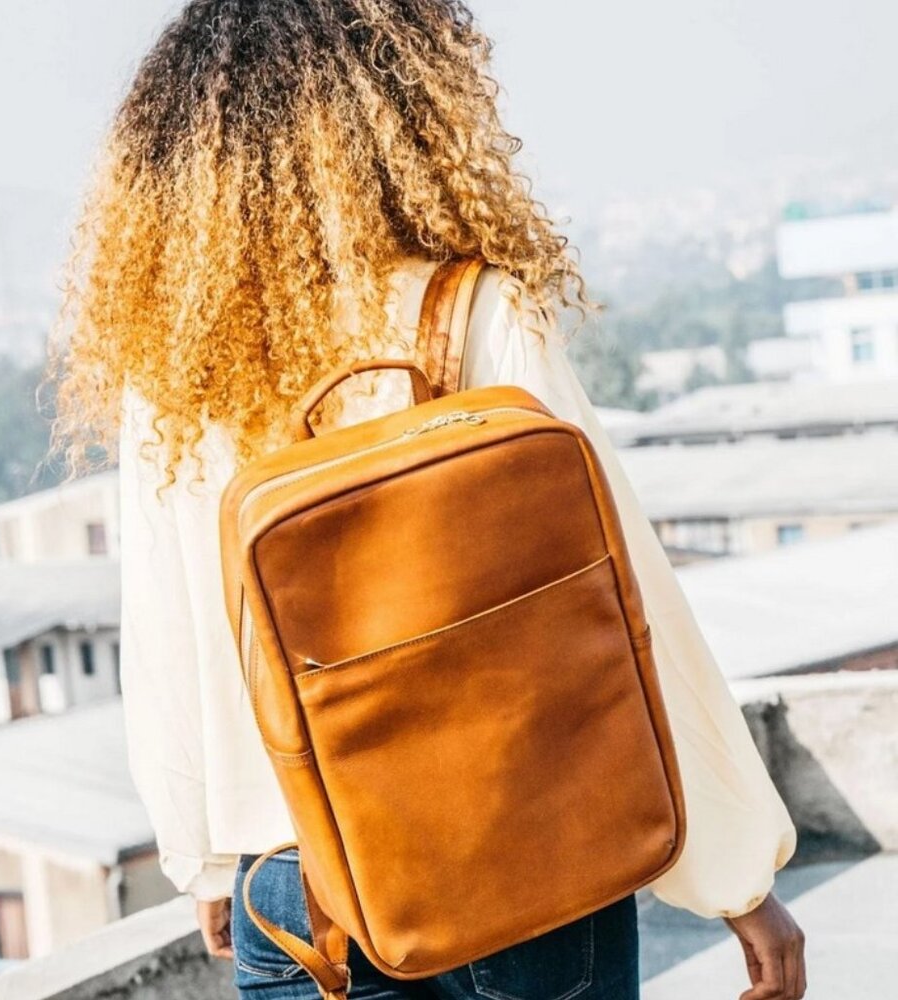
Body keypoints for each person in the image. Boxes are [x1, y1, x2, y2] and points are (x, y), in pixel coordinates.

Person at [45, 2, 807, 998]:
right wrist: (736, 878)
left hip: (293, 874)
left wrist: (203, 852)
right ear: (405, 109)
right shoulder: (472, 309)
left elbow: (164, 637)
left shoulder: (174, 369)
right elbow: (629, 613)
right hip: (517, 851)